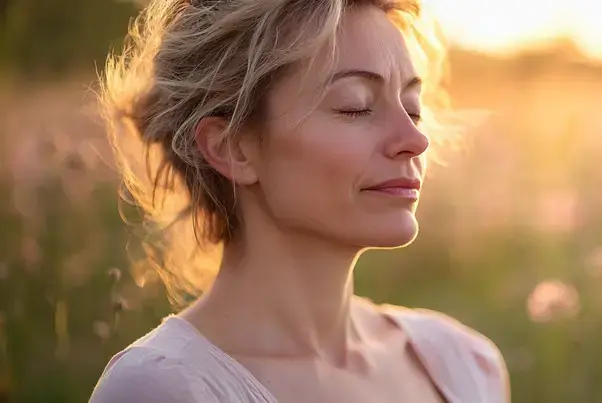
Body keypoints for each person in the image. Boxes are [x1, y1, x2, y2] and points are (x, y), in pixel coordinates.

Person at [89, 0, 509, 401]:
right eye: (355, 107)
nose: (415, 141)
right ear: (232, 147)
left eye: (414, 109)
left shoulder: (464, 366)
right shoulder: (162, 391)